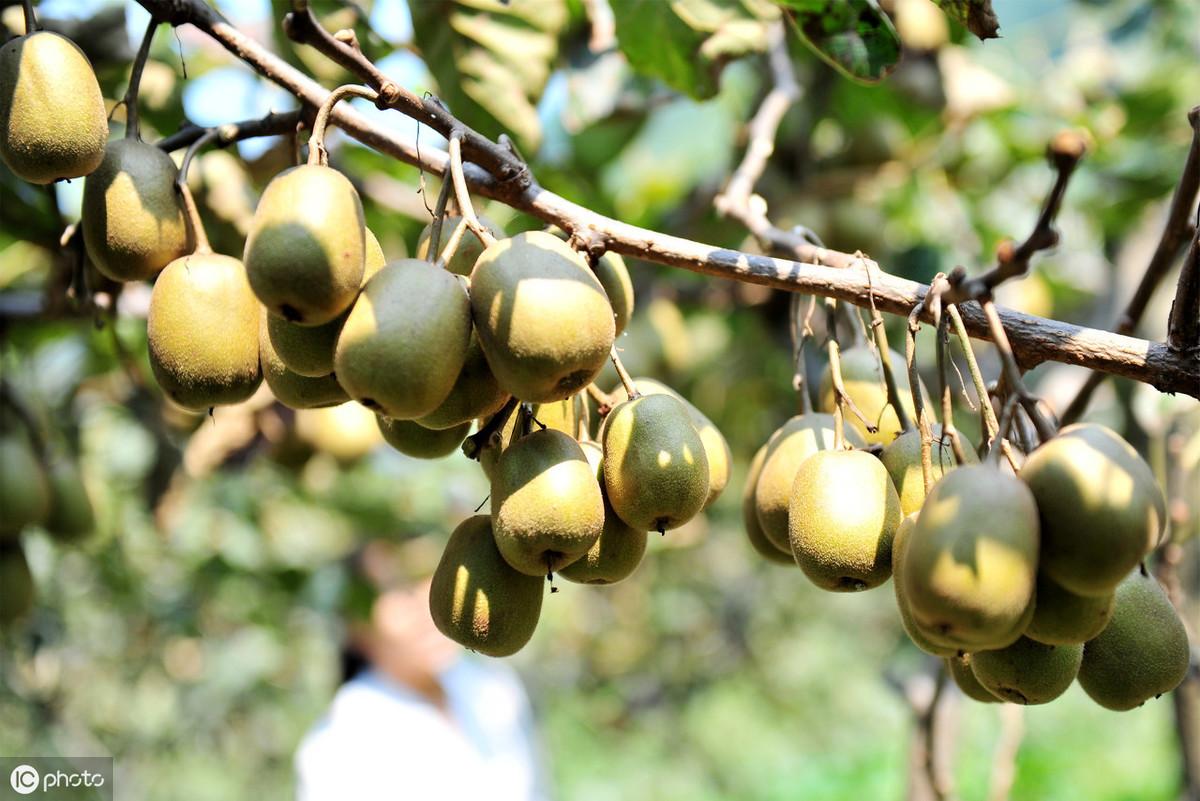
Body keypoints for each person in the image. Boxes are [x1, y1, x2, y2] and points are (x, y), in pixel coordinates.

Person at [296, 539, 551, 801]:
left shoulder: (492, 687)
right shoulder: (340, 744)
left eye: (425, 577)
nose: (424, 604)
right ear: (355, 627)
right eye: (397, 589)